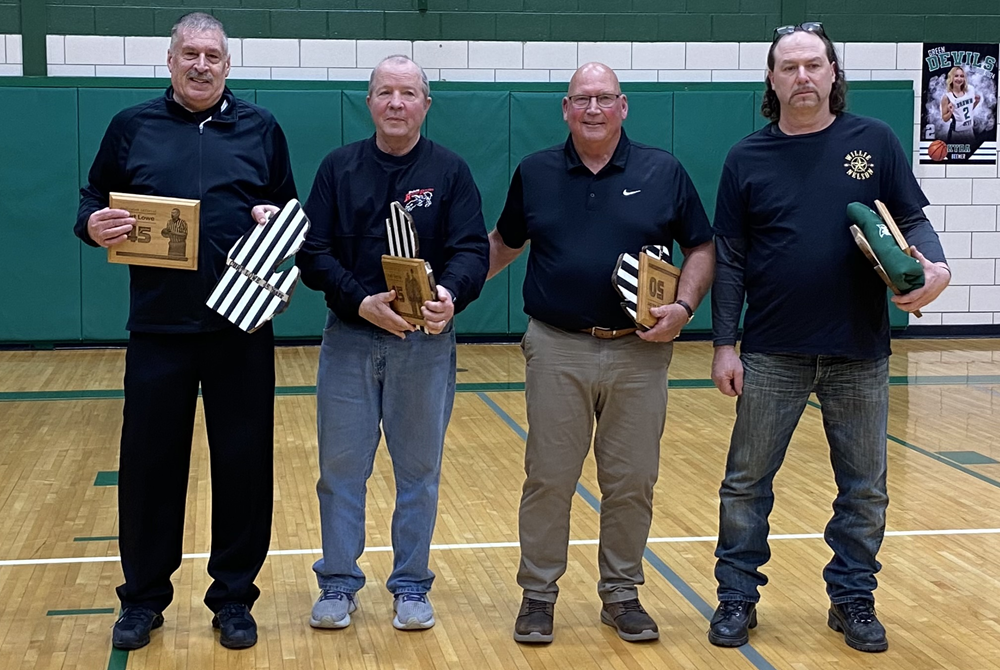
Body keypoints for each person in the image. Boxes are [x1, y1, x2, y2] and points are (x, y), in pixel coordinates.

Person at [707, 22, 951, 654]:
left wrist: (938, 267)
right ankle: (737, 597)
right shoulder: (746, 157)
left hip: (859, 348)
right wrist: (724, 344)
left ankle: (852, 600)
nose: (803, 77)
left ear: (834, 73)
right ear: (772, 80)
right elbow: (730, 259)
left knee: (865, 486)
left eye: (814, 65)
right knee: (746, 482)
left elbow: (914, 221)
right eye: (789, 67)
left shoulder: (874, 140)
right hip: (771, 349)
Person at [75, 12, 296, 651]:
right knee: (149, 466)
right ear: (169, 61)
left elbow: (286, 208)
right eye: (190, 54)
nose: (202, 65)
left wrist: (273, 216)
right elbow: (92, 200)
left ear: (229, 66)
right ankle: (142, 599)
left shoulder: (261, 128)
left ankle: (233, 598)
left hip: (241, 325)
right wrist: (93, 226)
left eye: (214, 56)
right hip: (158, 328)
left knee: (243, 466)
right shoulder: (131, 126)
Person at [488, 62, 715, 644]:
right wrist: (446, 292)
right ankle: (538, 594)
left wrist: (684, 310)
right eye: (581, 99)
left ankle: (621, 593)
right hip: (556, 347)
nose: (593, 108)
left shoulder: (662, 171)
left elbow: (701, 247)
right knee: (548, 478)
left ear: (623, 106)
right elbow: (505, 244)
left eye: (604, 98)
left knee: (633, 480)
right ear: (565, 108)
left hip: (639, 353)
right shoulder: (535, 172)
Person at [296, 55, 488, 632]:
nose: (397, 103)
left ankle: (410, 585)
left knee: (418, 472)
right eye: (385, 92)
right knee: (340, 470)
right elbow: (313, 253)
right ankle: (337, 583)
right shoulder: (338, 168)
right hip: (350, 340)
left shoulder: (451, 172)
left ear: (426, 104)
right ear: (370, 102)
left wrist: (449, 295)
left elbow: (472, 252)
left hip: (423, 347)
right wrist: (360, 302)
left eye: (408, 93)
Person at [940, 66, 980, 144]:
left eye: (962, 76)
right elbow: (944, 118)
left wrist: (976, 102)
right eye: (956, 76)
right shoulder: (947, 97)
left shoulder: (970, 90)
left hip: (969, 131)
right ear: (951, 78)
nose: (959, 79)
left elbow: (967, 110)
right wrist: (950, 112)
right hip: (956, 133)